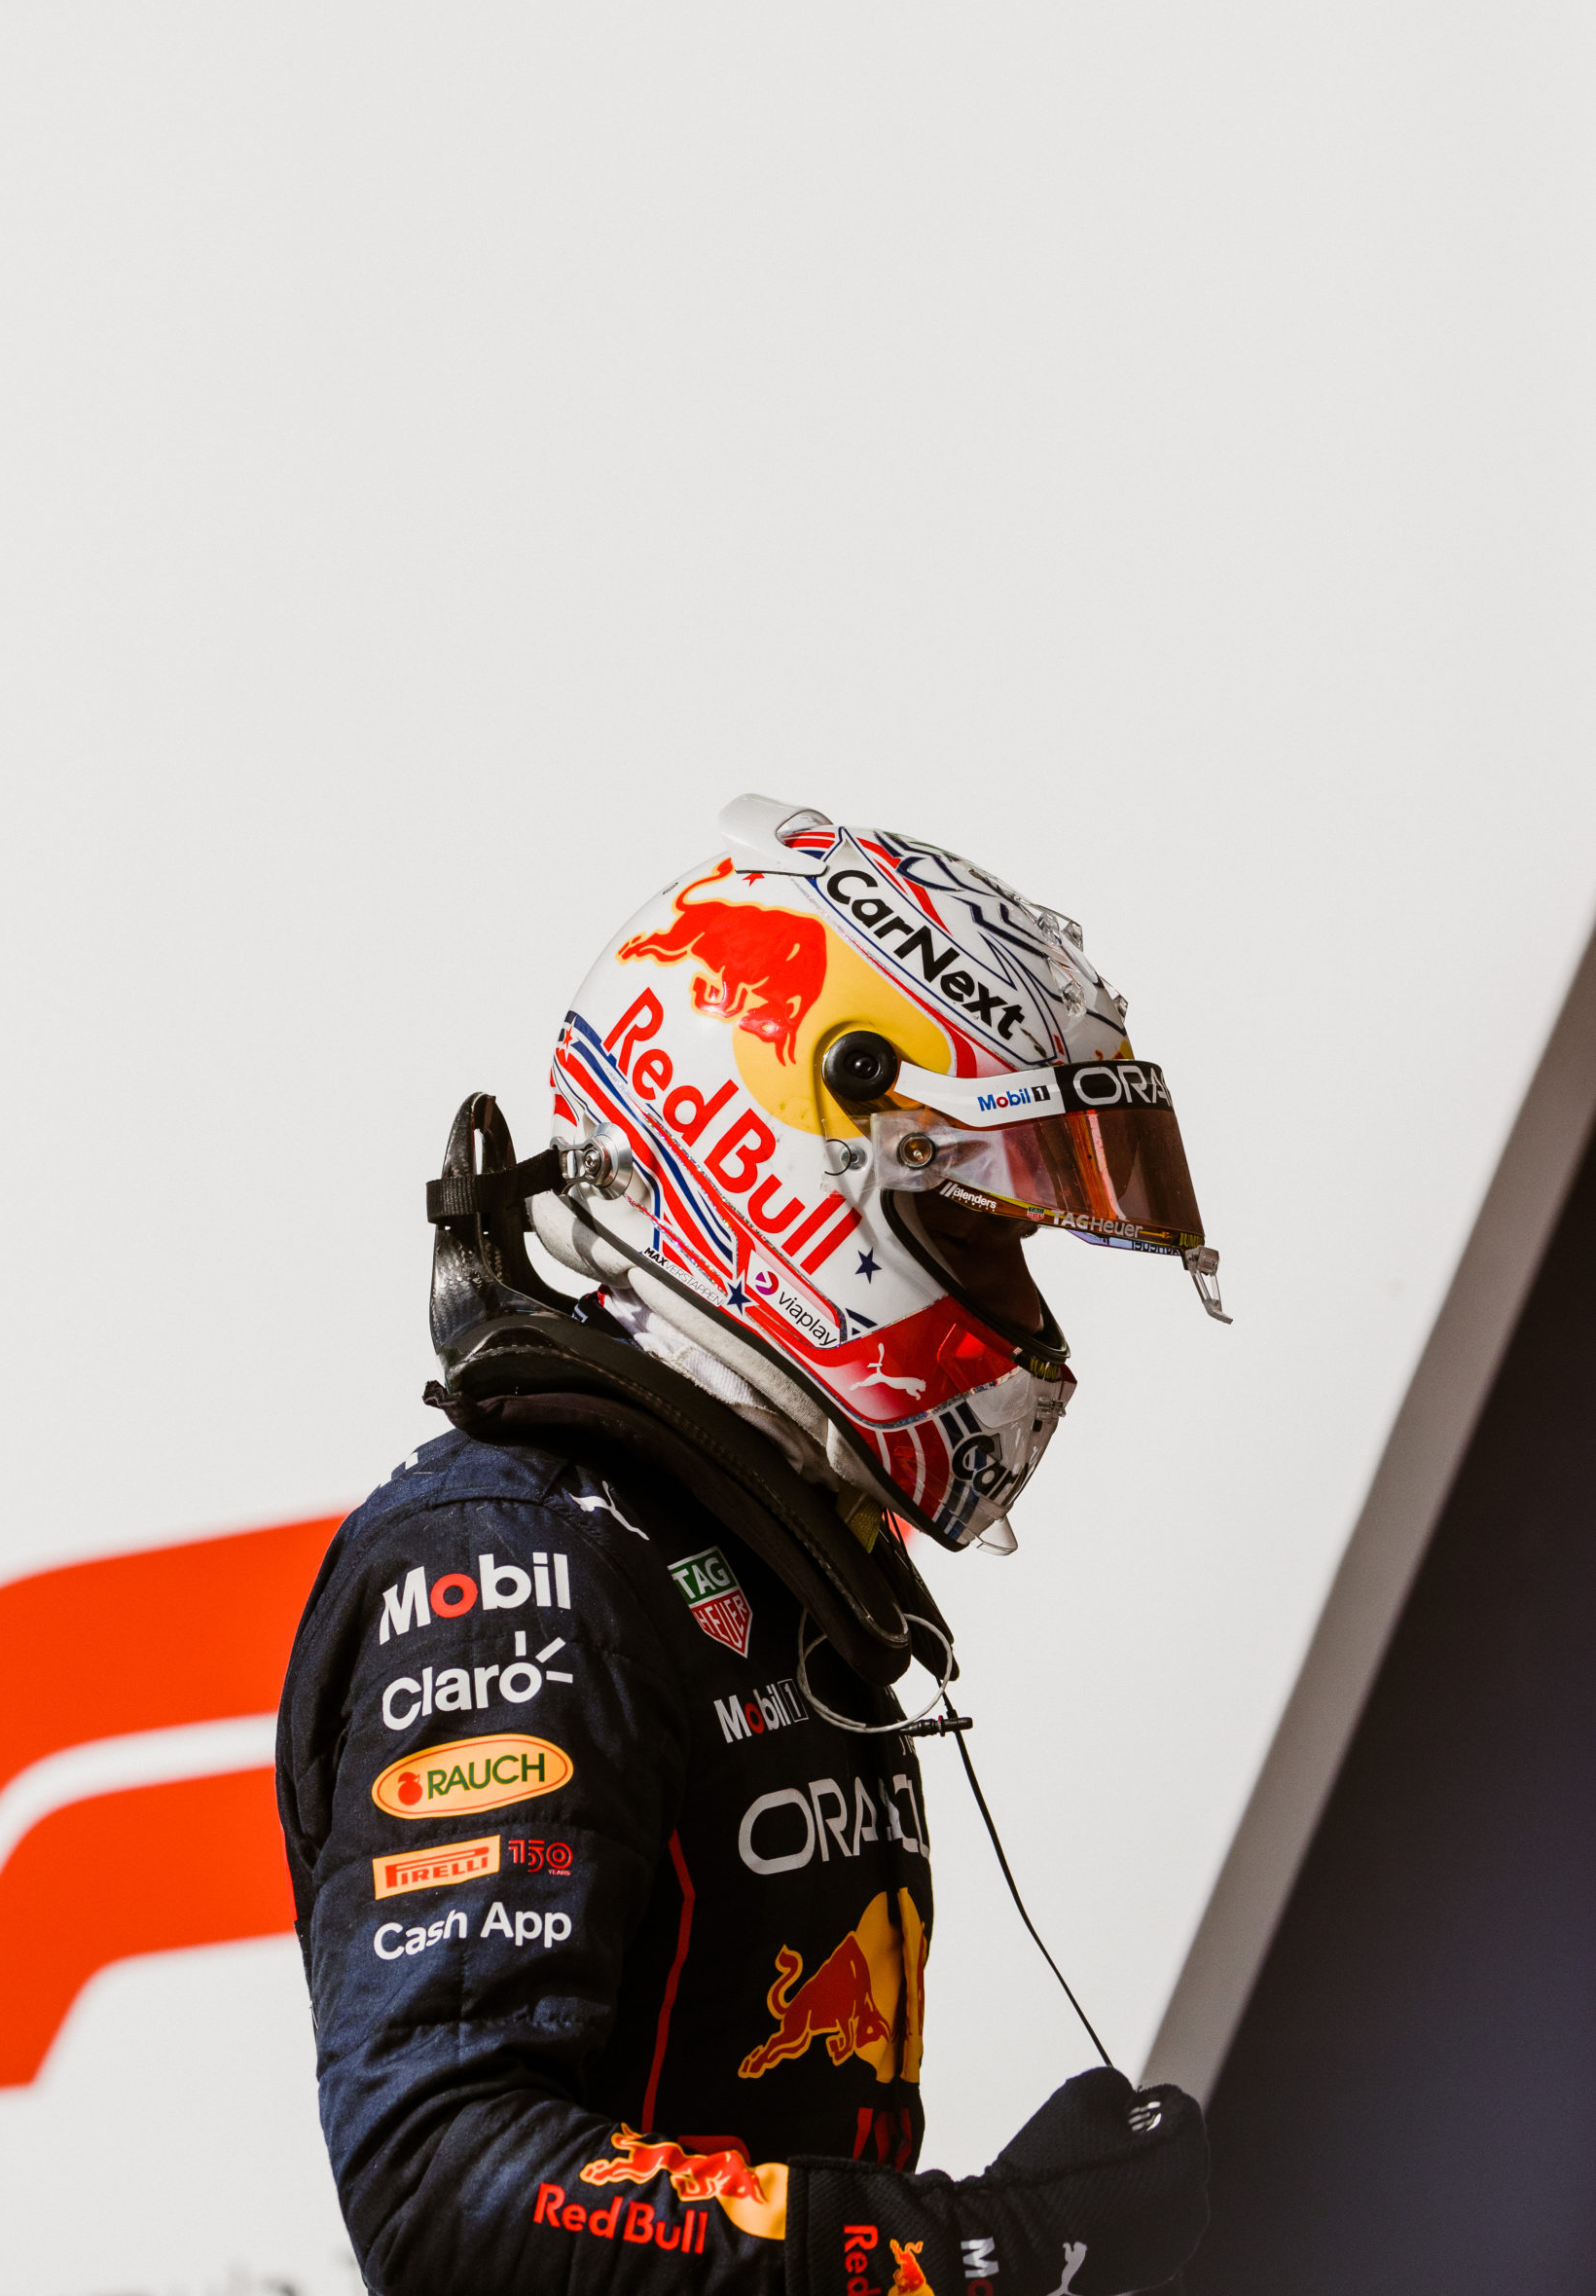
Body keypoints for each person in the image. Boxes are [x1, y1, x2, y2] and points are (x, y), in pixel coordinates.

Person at [277, 796, 1225, 2296]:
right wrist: (988, 2255)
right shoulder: (518, 1558)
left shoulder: (759, 1557)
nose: (1026, 1321)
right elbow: (449, 2187)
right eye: (979, 1231)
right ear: (775, 1163)